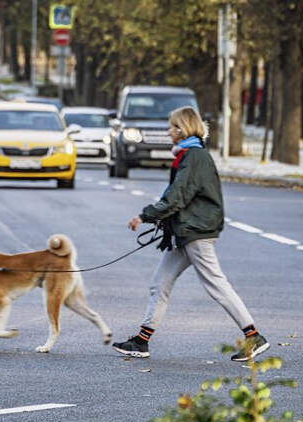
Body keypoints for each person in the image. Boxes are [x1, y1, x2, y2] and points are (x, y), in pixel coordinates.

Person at [112, 106, 269, 362]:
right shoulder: (188, 155)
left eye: (171, 126)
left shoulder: (194, 157)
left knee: (216, 285)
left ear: (181, 129)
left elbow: (178, 195)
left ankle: (253, 335)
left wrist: (146, 215)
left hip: (196, 231)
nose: (168, 131)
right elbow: (177, 195)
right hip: (186, 232)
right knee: (160, 284)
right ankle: (141, 342)